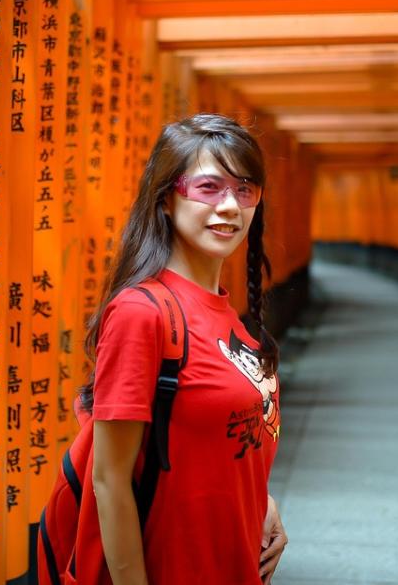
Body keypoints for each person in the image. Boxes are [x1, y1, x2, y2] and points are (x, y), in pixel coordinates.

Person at [79, 113, 287, 584]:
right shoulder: (141, 314)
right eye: (209, 188)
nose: (231, 206)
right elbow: (109, 481)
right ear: (167, 200)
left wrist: (262, 503)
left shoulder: (227, 315)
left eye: (245, 190)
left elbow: (213, 445)